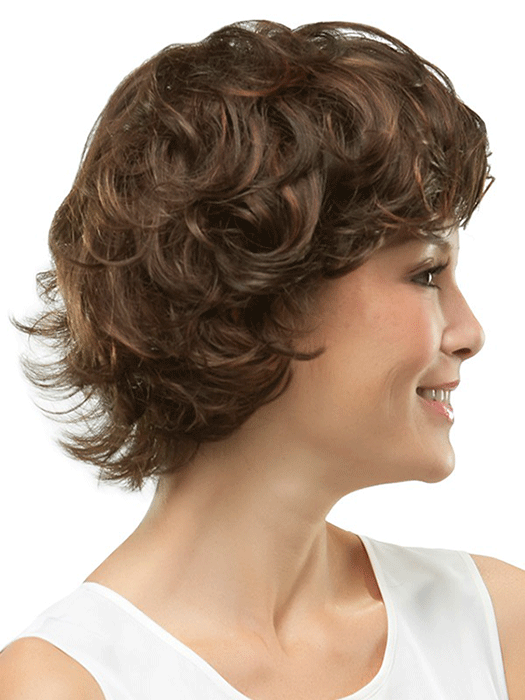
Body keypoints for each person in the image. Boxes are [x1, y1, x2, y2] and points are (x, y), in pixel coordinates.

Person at [1, 19, 522, 700]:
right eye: (426, 273)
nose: (470, 332)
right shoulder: (67, 684)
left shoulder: (494, 625)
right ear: (261, 291)